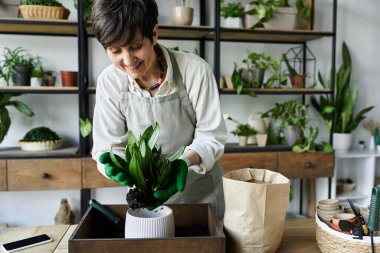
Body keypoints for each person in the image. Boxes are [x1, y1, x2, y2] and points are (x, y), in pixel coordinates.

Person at [91, 0, 227, 219]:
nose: (128, 60)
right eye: (116, 50)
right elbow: (108, 146)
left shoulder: (195, 71)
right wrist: (115, 165)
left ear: (153, 34)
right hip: (145, 203)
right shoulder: (110, 82)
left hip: (200, 198)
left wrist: (182, 163)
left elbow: (212, 137)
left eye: (135, 46)